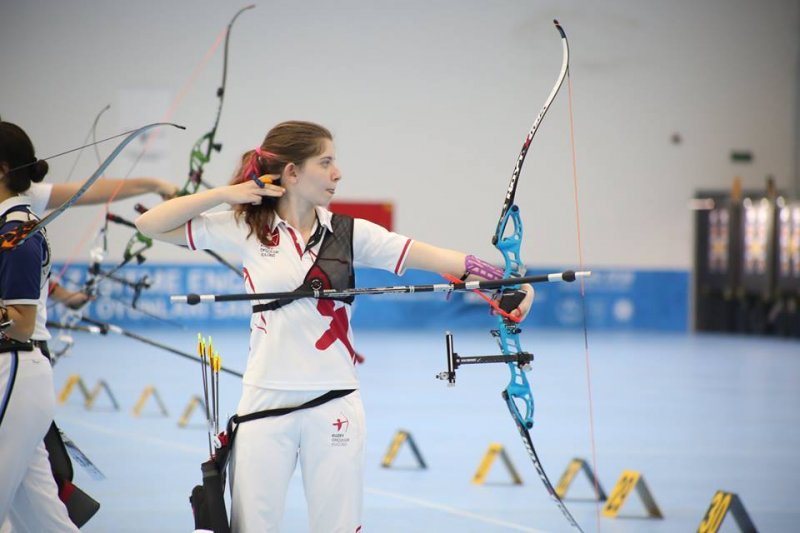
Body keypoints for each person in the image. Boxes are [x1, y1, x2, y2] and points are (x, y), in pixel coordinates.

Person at [136, 120, 534, 532]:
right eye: (325, 163)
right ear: (292, 173)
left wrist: (511, 282)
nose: (337, 173)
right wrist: (224, 195)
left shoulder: (349, 232)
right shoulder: (246, 228)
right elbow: (149, 225)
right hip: (263, 403)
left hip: (335, 401)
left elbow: (439, 259)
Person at [0, 121, 78, 531]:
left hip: (13, 369)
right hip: (15, 376)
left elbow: (20, 323)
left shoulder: (17, 231)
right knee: (43, 521)